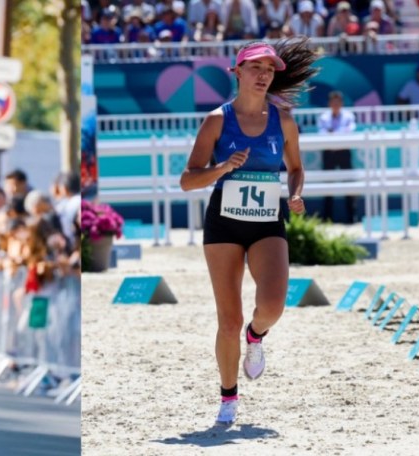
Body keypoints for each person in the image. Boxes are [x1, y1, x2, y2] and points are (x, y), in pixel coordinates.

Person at [180, 38, 318, 426]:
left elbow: (295, 168)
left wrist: (295, 194)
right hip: (224, 221)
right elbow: (187, 180)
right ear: (237, 72)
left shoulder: (283, 119)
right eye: (256, 68)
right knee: (228, 319)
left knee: (272, 305)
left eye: (270, 70)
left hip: (266, 220)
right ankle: (228, 398)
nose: (263, 75)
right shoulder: (217, 120)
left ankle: (256, 338)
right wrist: (222, 167)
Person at [318, 91, 357, 224]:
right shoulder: (324, 117)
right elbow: (322, 133)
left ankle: (351, 217)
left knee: (348, 183)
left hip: (344, 151)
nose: (336, 104)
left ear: (342, 103)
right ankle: (327, 218)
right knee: (327, 185)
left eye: (338, 101)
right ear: (329, 103)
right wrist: (338, 133)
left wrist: (333, 133)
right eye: (333, 102)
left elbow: (350, 130)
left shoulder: (348, 116)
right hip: (329, 152)